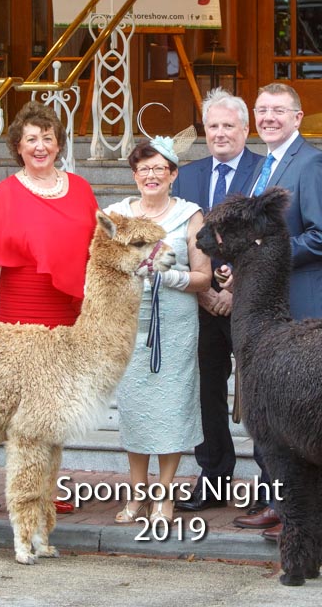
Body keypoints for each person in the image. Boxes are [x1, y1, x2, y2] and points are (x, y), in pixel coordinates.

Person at [0, 101, 99, 513]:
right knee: (28, 412)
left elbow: (96, 250)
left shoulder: (80, 189)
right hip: (23, 314)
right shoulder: (5, 195)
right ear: (18, 147)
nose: (40, 146)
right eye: (31, 139)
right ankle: (27, 493)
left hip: (68, 313)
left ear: (59, 144)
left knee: (57, 406)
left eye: (47, 138)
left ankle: (48, 487)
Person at [235, 82, 322, 535]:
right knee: (272, 412)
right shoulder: (262, 167)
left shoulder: (312, 163)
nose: (269, 118)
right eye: (262, 110)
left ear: (298, 117)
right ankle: (278, 501)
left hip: (303, 307)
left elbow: (321, 237)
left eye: (278, 110)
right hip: (267, 313)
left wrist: (262, 260)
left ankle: (305, 511)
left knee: (303, 412)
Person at [105, 138, 212, 525]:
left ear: (173, 174)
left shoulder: (190, 215)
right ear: (134, 175)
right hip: (130, 326)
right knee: (135, 410)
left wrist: (169, 275)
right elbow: (100, 267)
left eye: (159, 168)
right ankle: (137, 494)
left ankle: (164, 496)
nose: (151, 175)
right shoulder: (115, 214)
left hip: (176, 327)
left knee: (172, 409)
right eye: (143, 169)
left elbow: (203, 277)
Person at [170, 89, 263, 513]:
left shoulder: (265, 170)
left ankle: (269, 479)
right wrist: (206, 289)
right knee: (207, 391)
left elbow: (270, 236)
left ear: (245, 128)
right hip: (202, 305)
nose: (220, 133)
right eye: (213, 126)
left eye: (228, 125)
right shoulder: (187, 177)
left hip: (252, 302)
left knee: (259, 392)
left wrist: (234, 288)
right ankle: (214, 476)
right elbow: (178, 239)